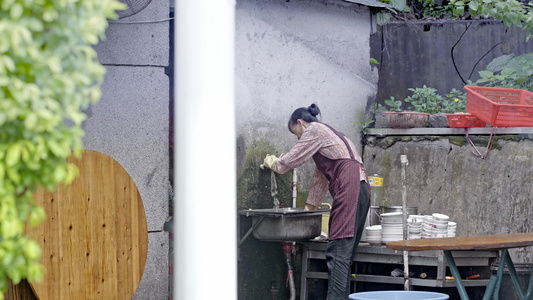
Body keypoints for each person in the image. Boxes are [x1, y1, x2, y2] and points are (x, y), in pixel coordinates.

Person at [263, 103, 370, 300]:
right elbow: (320, 179)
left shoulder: (314, 130)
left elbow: (294, 157)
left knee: (337, 253)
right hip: (362, 189)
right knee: (344, 256)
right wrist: (308, 208)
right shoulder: (333, 137)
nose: (299, 139)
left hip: (349, 187)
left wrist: (276, 163)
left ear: (301, 123)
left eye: (297, 134)